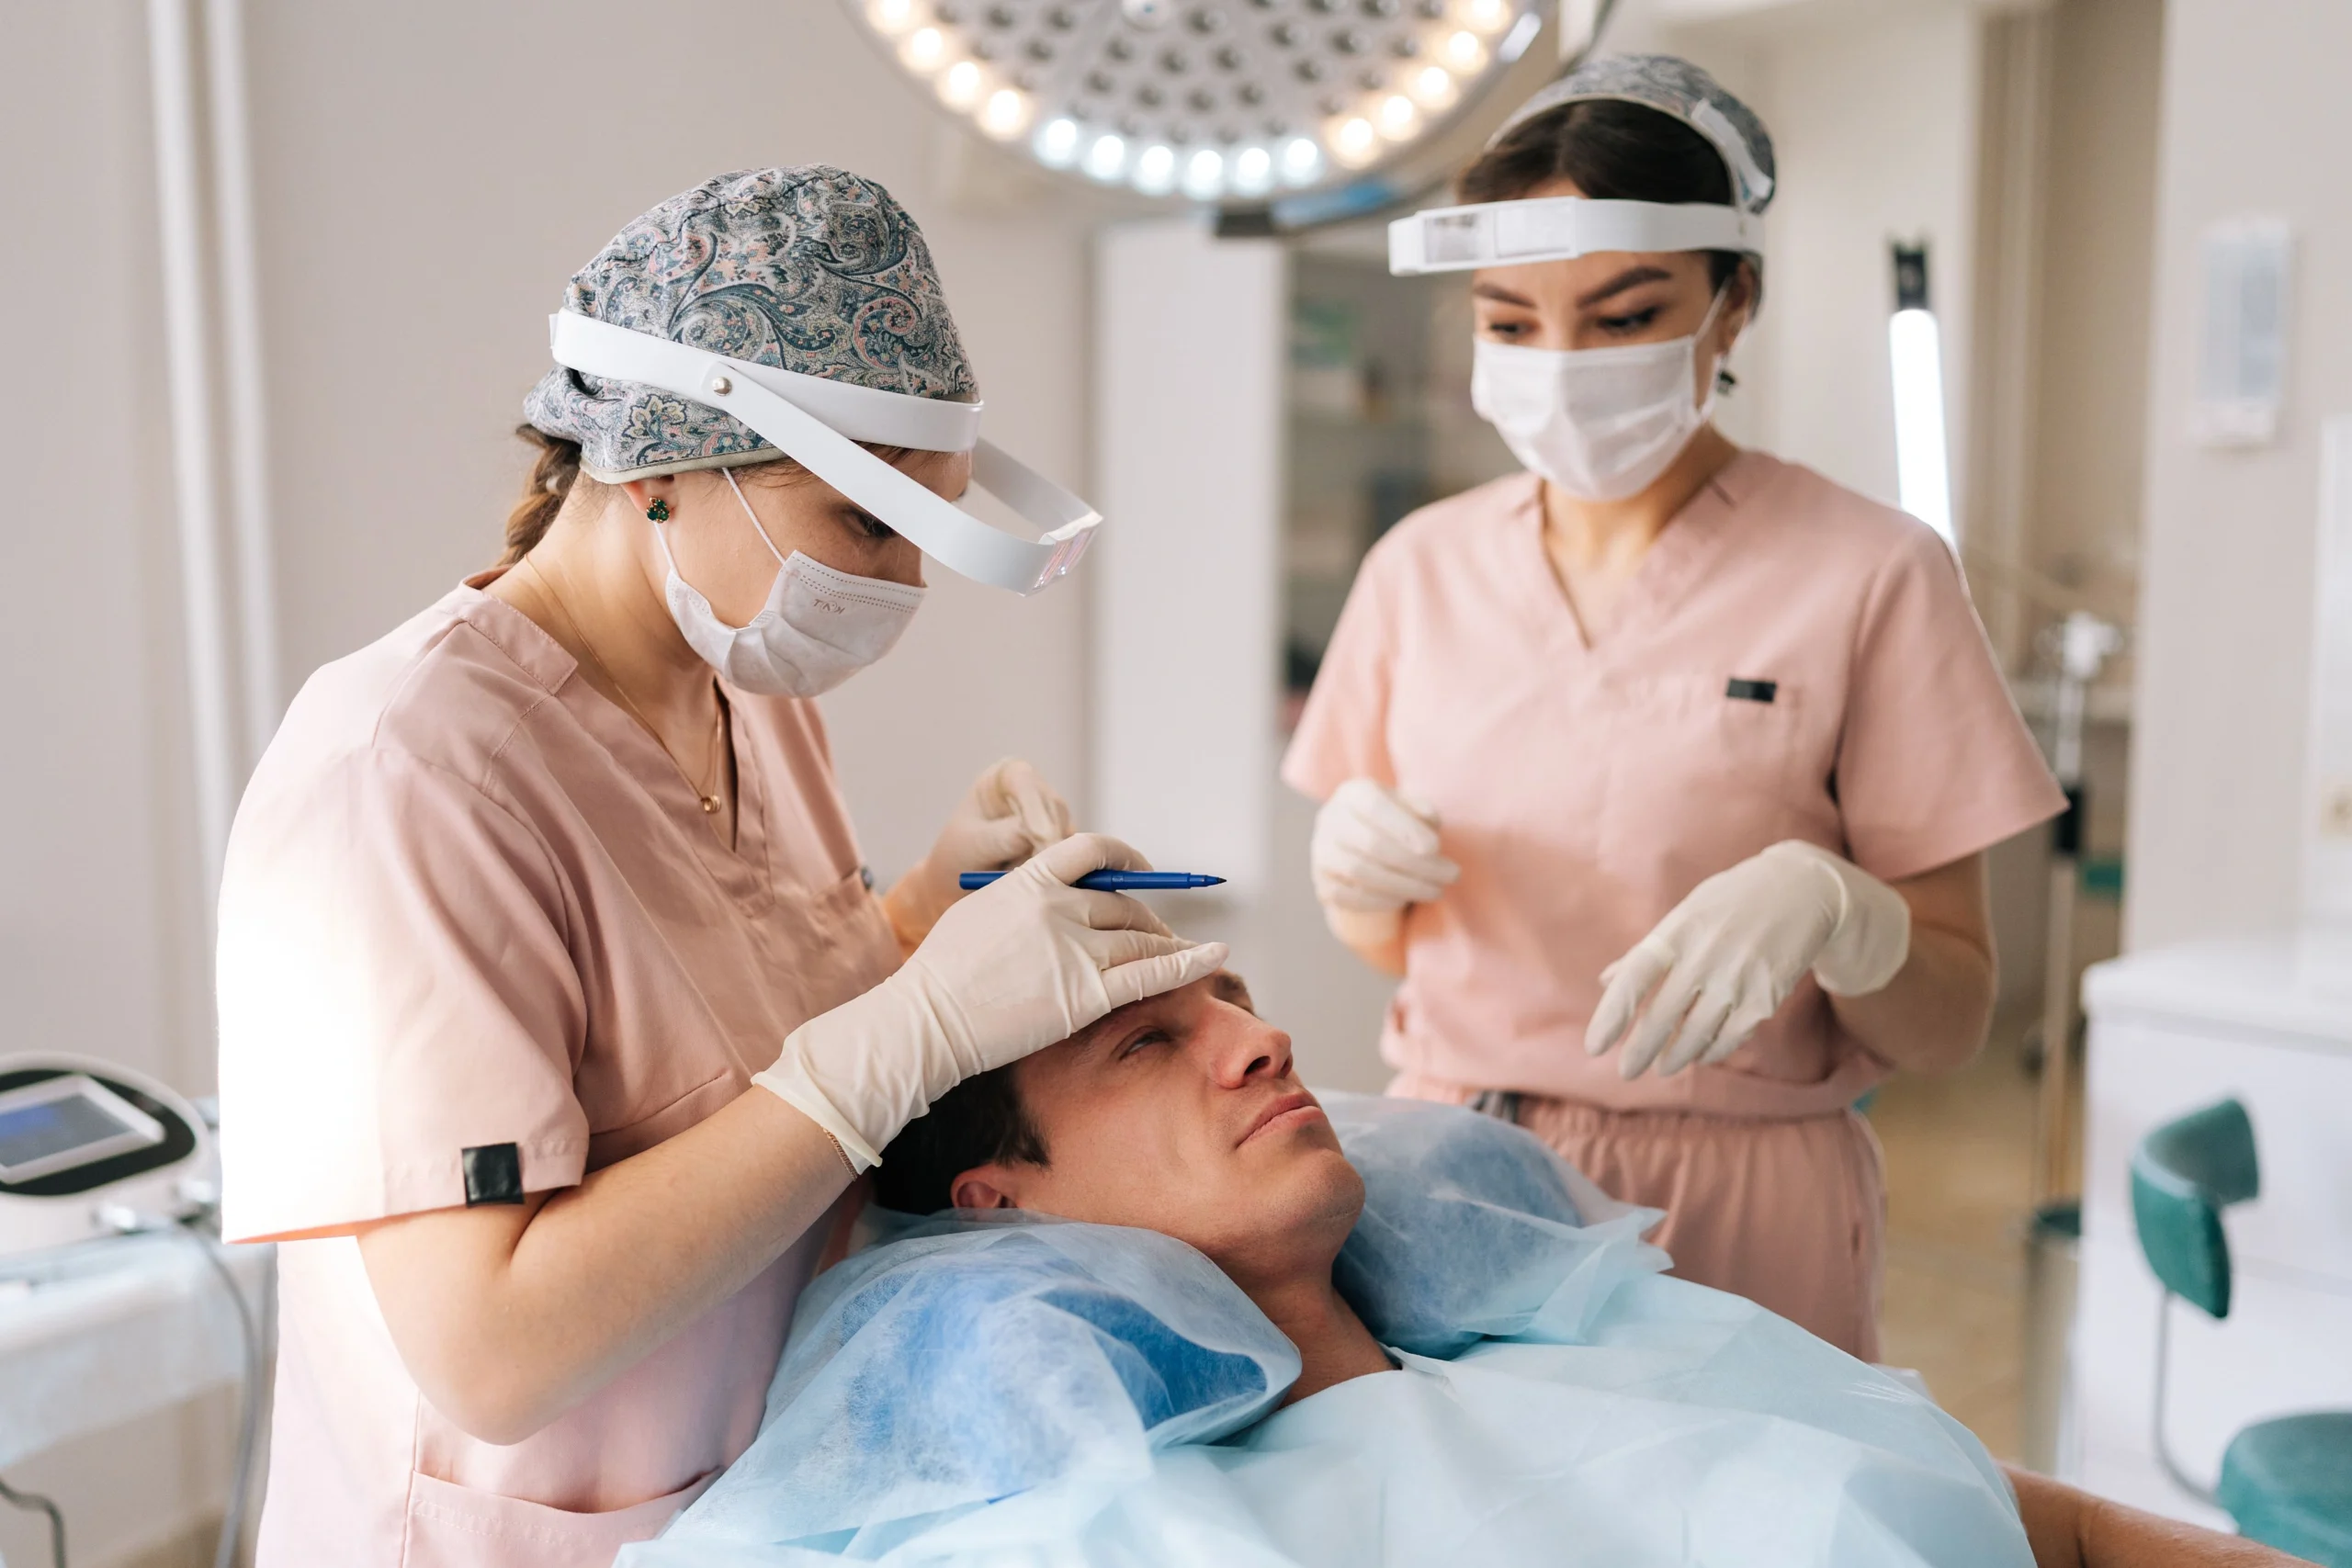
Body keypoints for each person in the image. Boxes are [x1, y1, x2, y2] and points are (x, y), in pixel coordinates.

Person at [214, 165, 1225, 1566]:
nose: (902, 585)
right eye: (865, 522)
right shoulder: (405, 770)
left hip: (759, 1511)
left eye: (923, 527)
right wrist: (916, 1028)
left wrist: (927, 908)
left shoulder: (749, 696)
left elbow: (725, 1030)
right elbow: (489, 1348)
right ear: (660, 465)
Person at [1283, 54, 2065, 1359]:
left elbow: (1949, 1022)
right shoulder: (1420, 568)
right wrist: (1356, 882)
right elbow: (1402, 946)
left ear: (1732, 303)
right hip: (1455, 1180)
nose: (1562, 367)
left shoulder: (1872, 572)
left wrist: (1844, 912)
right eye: (1511, 323)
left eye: (1624, 315)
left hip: (1743, 1198)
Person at [640, 976, 2296, 1568]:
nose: (1258, 1037)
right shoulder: (1130, 1523)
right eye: (1150, 1042)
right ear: (1001, 1202)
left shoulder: (1586, 1336)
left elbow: (2058, 1529)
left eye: (1230, 998)